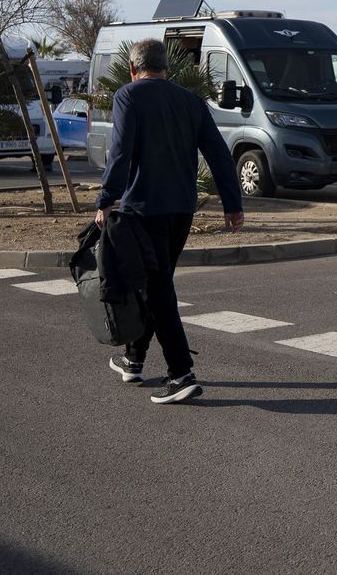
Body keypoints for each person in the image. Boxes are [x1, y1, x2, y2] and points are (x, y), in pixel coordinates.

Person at [96, 38, 244, 404]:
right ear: (168, 68)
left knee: (157, 288)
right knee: (154, 282)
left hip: (142, 210)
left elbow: (120, 152)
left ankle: (181, 374)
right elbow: (219, 154)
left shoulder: (128, 96)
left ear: (133, 68)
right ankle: (134, 359)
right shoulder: (191, 101)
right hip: (181, 210)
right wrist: (232, 204)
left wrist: (105, 200)